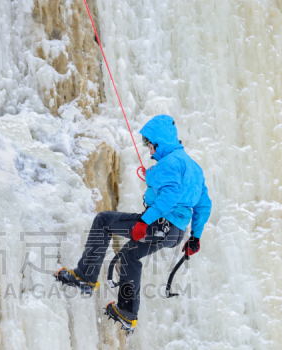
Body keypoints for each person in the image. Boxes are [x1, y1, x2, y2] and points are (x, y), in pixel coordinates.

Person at [55, 114, 211, 332]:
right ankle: (127, 312)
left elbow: (169, 198)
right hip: (176, 232)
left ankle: (85, 277)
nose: (147, 148)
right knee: (130, 255)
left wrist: (144, 222)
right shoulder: (192, 166)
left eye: (149, 143)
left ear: (159, 140)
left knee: (103, 221)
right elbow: (204, 204)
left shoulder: (170, 163)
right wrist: (195, 237)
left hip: (161, 225)